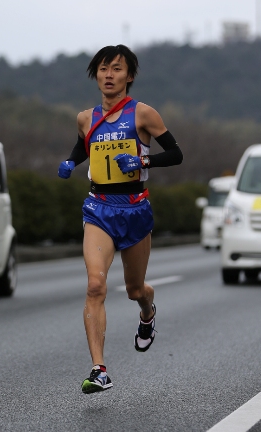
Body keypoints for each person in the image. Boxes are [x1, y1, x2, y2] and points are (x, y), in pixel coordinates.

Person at [58, 44, 183, 394]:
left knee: (134, 289)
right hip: (98, 207)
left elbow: (176, 154)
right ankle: (99, 369)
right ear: (95, 74)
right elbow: (84, 144)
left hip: (135, 208)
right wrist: (71, 162)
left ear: (129, 75)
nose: (109, 75)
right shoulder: (86, 117)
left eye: (116, 69)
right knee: (95, 285)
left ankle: (147, 312)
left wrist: (143, 162)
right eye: (103, 68)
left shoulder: (143, 114)